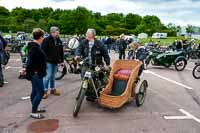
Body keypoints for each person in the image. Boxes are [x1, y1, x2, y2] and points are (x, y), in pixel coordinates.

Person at [75, 28, 110, 100]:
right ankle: (87, 91)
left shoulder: (99, 43)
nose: (86, 34)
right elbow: (79, 49)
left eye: (87, 33)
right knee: (83, 75)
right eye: (86, 33)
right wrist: (77, 55)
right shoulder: (83, 42)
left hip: (96, 64)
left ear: (92, 35)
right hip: (86, 63)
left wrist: (107, 64)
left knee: (94, 77)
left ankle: (92, 93)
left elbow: (105, 54)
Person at [26, 28, 47, 119]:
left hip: (36, 73)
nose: (44, 38)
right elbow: (31, 62)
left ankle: (35, 108)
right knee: (41, 92)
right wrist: (34, 71)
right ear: (40, 37)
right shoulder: (35, 48)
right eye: (43, 36)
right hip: (36, 74)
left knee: (34, 91)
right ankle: (33, 112)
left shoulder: (34, 47)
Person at [41, 26, 64, 99]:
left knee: (53, 77)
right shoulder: (46, 40)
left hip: (56, 62)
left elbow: (61, 51)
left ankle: (52, 89)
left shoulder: (58, 40)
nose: (57, 34)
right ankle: (44, 91)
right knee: (47, 77)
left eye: (58, 33)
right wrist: (45, 60)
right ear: (52, 33)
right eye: (56, 33)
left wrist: (62, 61)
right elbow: (42, 51)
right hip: (48, 62)